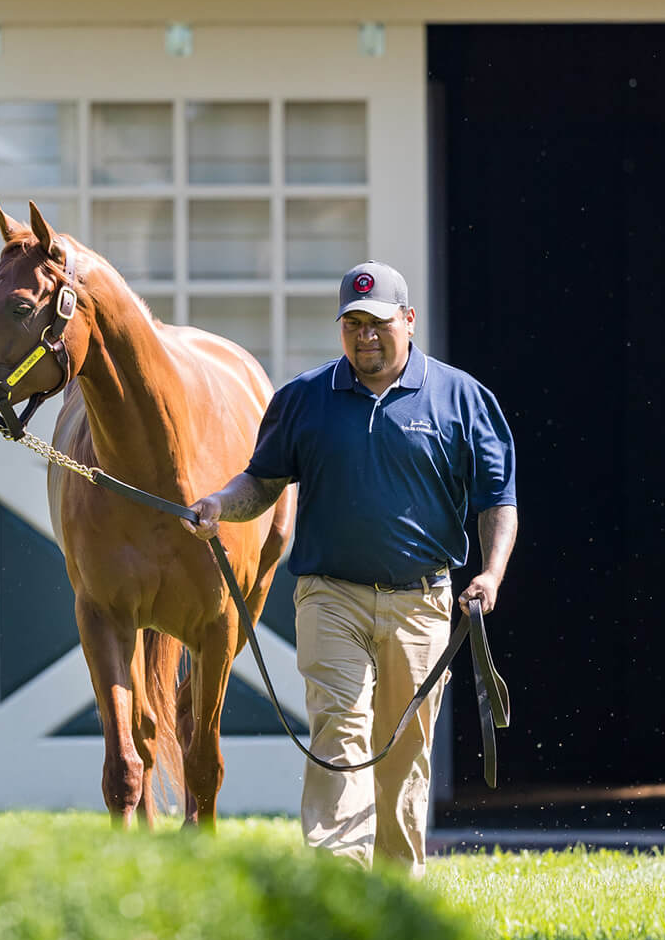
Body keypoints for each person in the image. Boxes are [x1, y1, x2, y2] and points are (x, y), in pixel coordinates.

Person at [185, 260, 518, 876]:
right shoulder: (304, 399)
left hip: (422, 602)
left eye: (378, 322)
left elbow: (498, 500)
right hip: (329, 596)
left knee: (404, 750)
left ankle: (396, 890)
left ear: (409, 321)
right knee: (339, 731)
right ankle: (340, 889)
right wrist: (219, 506)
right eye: (352, 323)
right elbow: (261, 482)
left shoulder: (462, 399)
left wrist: (491, 574)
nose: (365, 334)